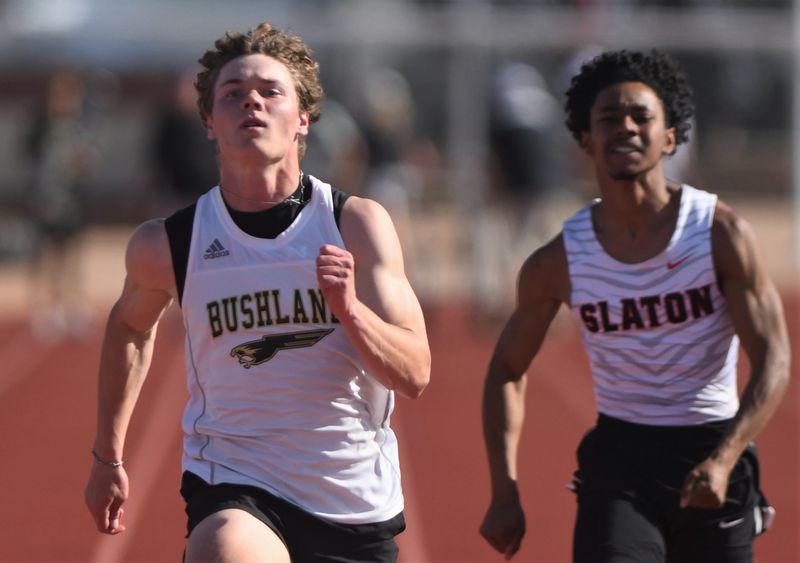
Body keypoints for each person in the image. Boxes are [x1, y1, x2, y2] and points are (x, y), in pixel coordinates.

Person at [84, 22, 431, 563]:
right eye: (232, 94)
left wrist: (351, 312)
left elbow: (415, 373)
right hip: (235, 482)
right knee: (223, 550)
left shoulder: (354, 225)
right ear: (209, 122)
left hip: (351, 498)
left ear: (303, 118)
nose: (251, 102)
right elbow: (130, 324)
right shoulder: (171, 243)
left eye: (270, 91)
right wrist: (108, 456)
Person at [480, 49, 790, 562]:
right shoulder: (559, 261)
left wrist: (726, 457)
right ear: (586, 139)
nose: (625, 126)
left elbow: (774, 356)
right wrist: (504, 490)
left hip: (713, 446)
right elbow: (506, 369)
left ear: (669, 137)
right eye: (608, 118)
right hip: (621, 461)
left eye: (641, 116)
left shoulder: (721, 235)